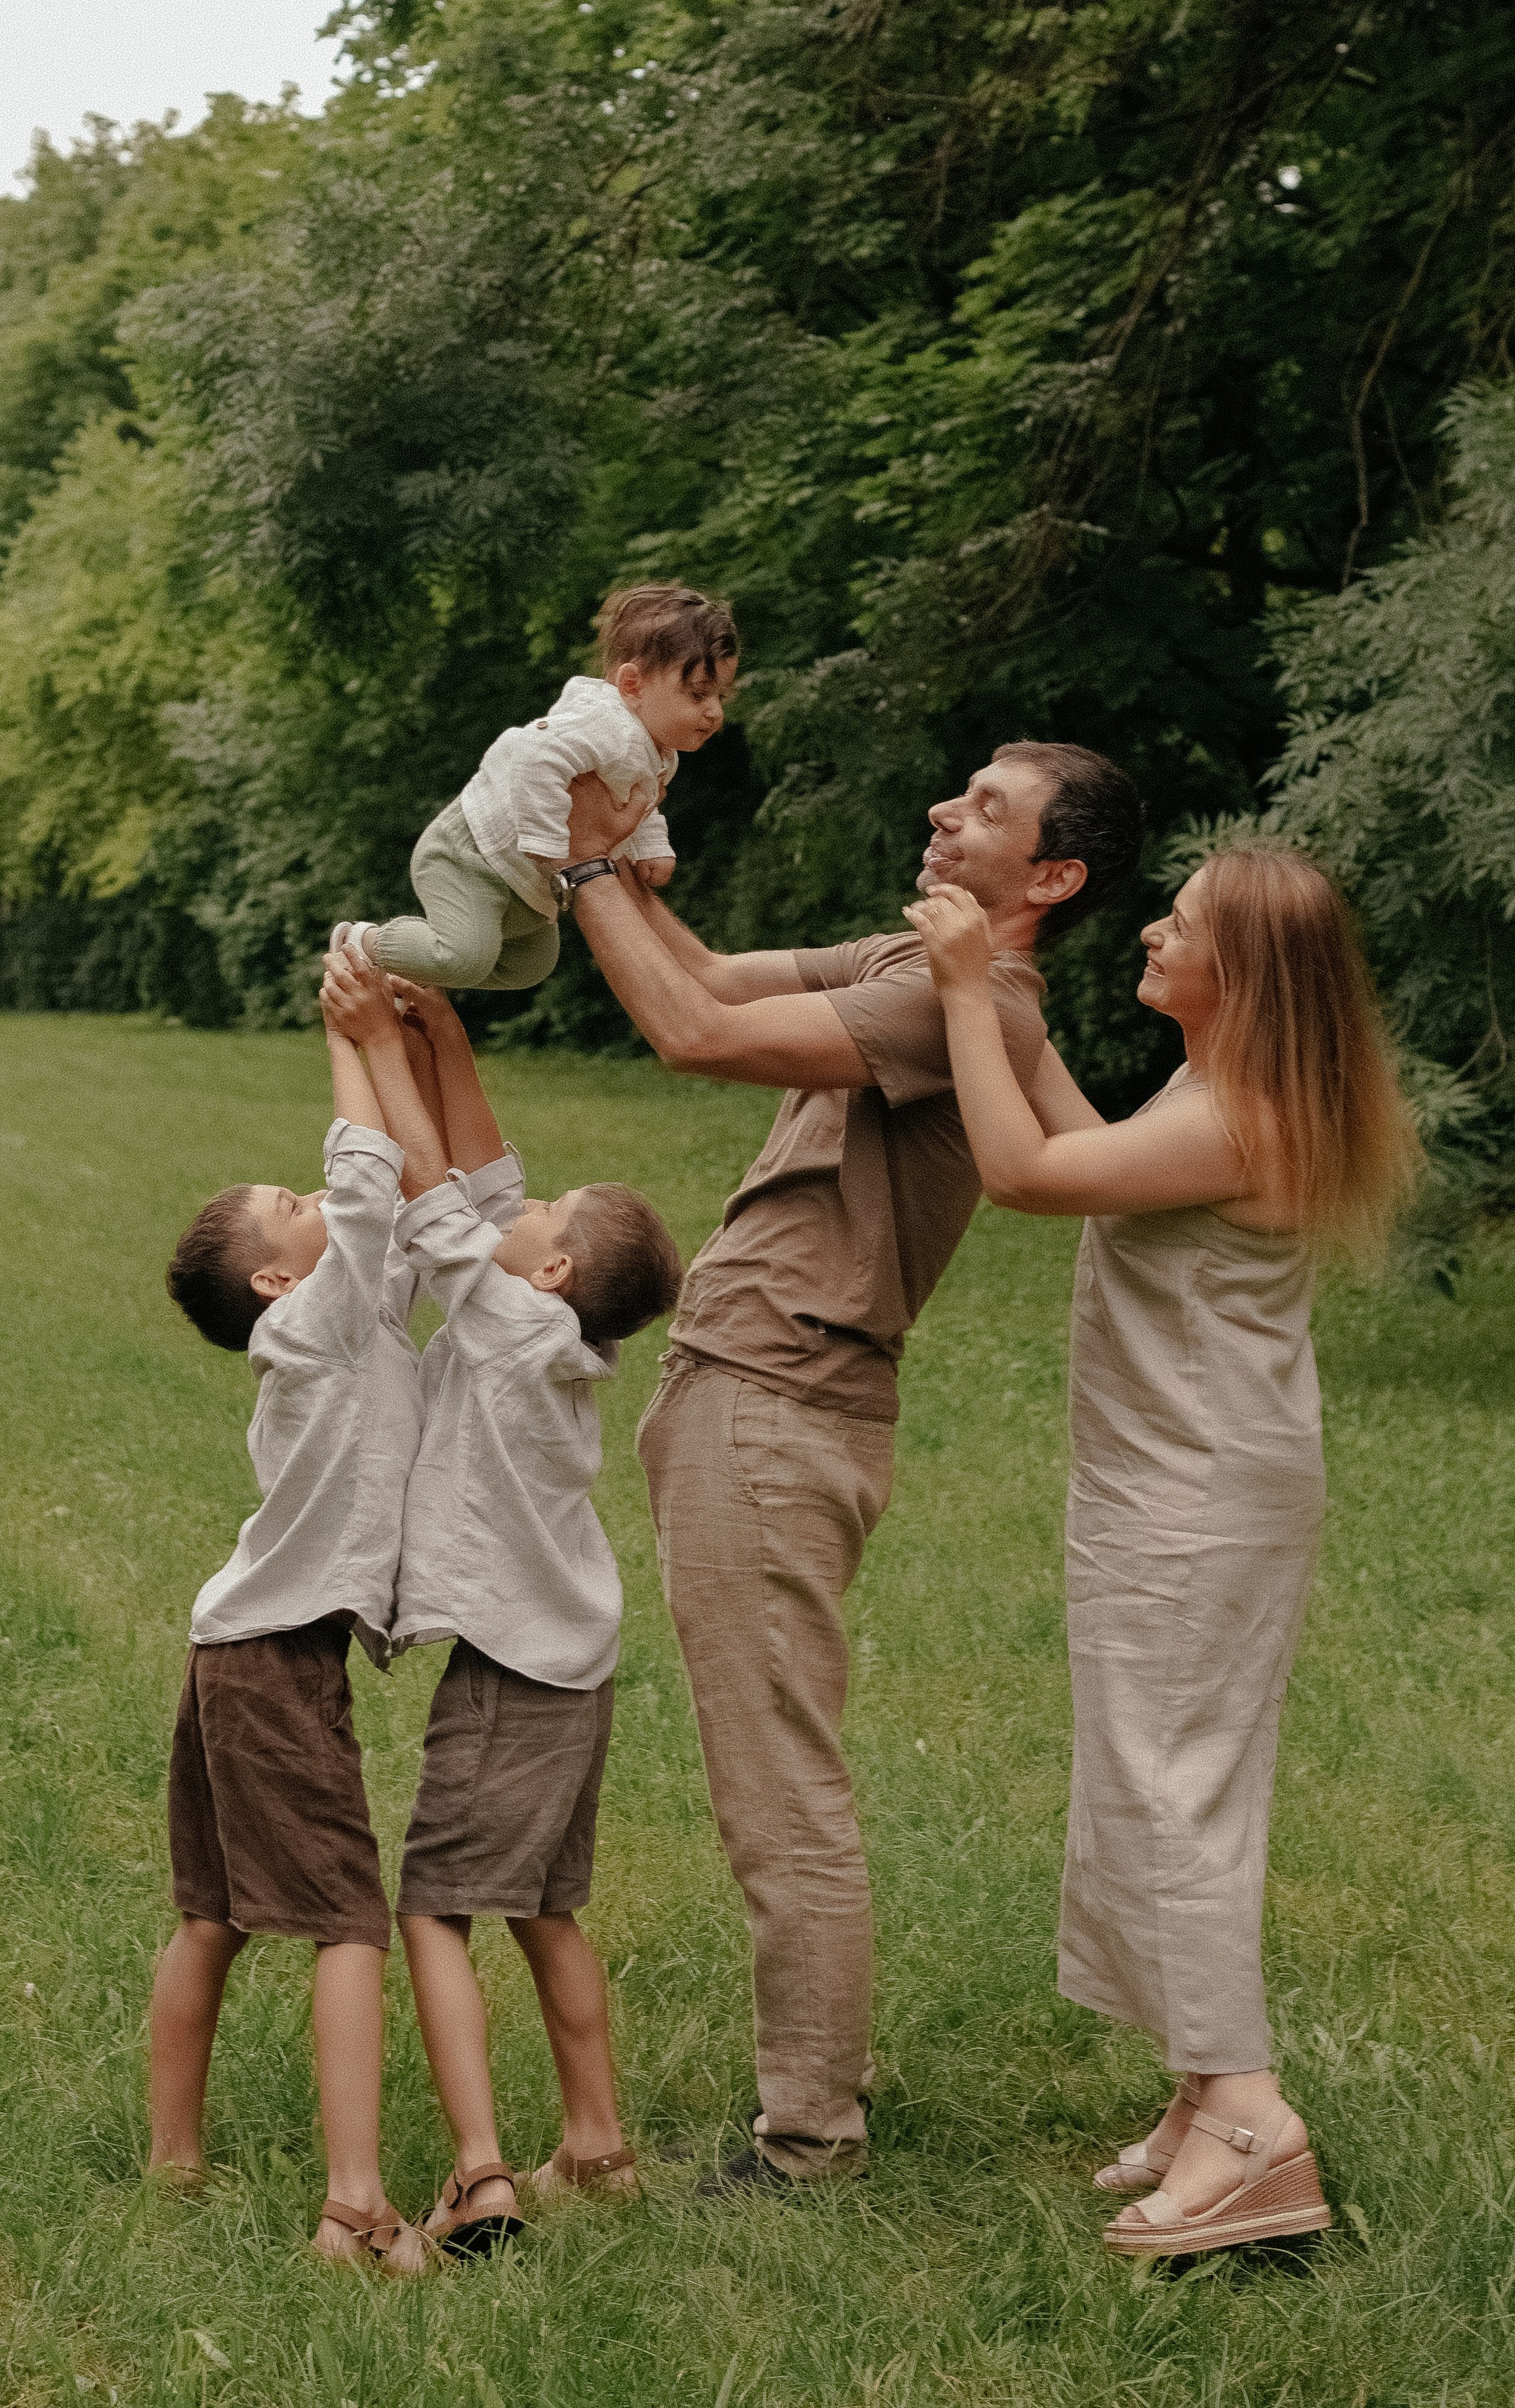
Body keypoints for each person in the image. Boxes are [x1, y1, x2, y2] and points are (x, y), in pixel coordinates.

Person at [552, 742, 1145, 2190]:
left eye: (989, 811)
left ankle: (810, 2136)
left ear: (1052, 880)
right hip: (746, 1393)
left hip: (776, 1409)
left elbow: (689, 1034)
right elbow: (706, 970)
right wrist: (619, 856)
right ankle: (819, 2087)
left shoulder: (976, 1008)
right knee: (774, 1772)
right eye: (959, 789)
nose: (945, 809)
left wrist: (572, 865)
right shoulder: (910, 959)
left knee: (779, 1790)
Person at [906, 843, 1421, 2255]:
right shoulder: (1216, 1090)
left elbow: (1024, 1175)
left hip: (1197, 1502)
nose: (1150, 926)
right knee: (1157, 1780)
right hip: (1178, 1486)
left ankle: (1255, 2129)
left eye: (1179, 923)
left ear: (1239, 974)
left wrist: (963, 991)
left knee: (1173, 1789)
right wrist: (1016, 1011)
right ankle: (1204, 2094)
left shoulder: (1243, 1112)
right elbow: (1088, 1152)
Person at [344, 957, 682, 2254]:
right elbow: (482, 1191)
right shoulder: (547, 1326)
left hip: (514, 1674)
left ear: (550, 1274)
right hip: (570, 1666)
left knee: (433, 1905)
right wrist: (445, 1044)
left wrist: (377, 1045)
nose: (523, 1207)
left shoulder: (516, 1330)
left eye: (549, 1214)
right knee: (547, 1907)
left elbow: (437, 1208)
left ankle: (482, 2173)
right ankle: (594, 2143)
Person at [151, 956, 449, 2274]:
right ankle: (352, 2207)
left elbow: (407, 1206)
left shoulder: (352, 1312)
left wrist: (411, 1050)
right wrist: (348, 1034)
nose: (315, 1193)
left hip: (240, 1651)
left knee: (214, 1912)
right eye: (291, 1203)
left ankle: (174, 2162)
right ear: (274, 1283)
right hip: (270, 1665)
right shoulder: (307, 1331)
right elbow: (372, 1183)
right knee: (345, 1921)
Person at [329, 582, 739, 994]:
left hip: (526, 886)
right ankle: (362, 942)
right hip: (473, 854)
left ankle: (412, 968)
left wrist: (652, 846)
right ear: (632, 685)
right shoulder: (605, 723)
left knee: (530, 967)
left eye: (721, 696)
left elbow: (641, 800)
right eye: (698, 694)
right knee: (465, 960)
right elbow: (534, 755)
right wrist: (545, 837)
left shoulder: (659, 751)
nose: (714, 712)